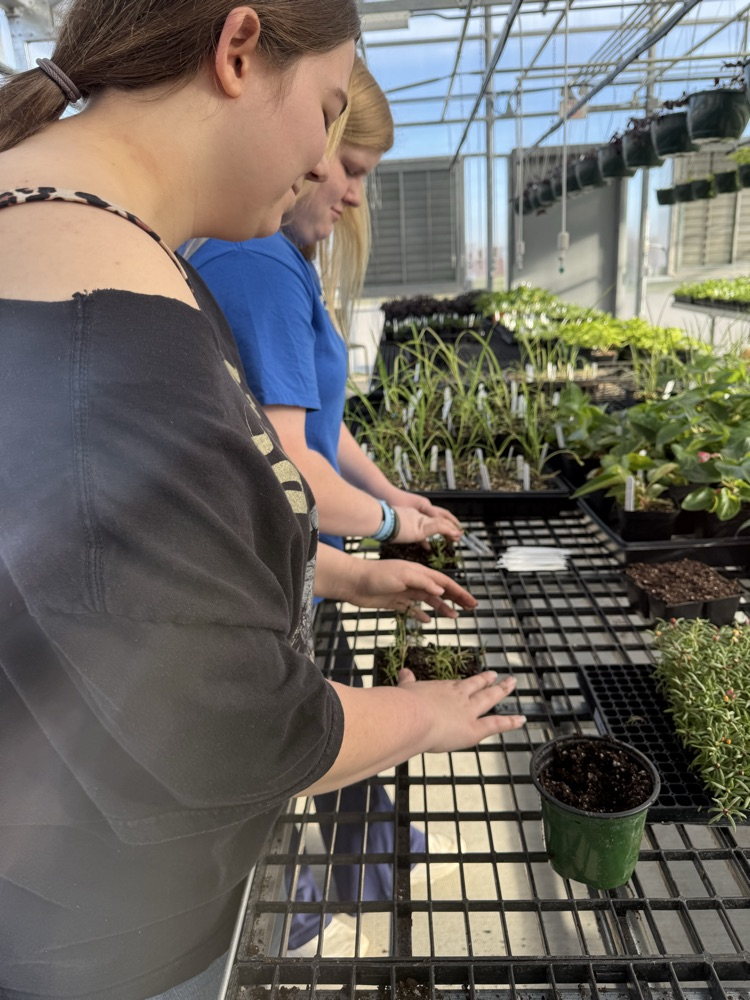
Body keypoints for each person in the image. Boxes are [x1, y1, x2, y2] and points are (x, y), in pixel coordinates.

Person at [0, 7, 526, 1000]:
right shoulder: (109, 346)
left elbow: (133, 577)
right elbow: (234, 728)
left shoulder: (98, 256)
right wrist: (423, 713)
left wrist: (346, 568)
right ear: (238, 50)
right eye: (325, 110)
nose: (323, 160)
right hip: (100, 943)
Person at [186, 59, 469, 959]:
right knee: (299, 724)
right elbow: (292, 468)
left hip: (303, 555)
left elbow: (323, 424)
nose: (349, 193)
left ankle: (361, 863)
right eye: (350, 166)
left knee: (327, 696)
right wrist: (386, 528)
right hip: (275, 562)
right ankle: (301, 898)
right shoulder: (257, 262)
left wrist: (389, 496)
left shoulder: (288, 263)